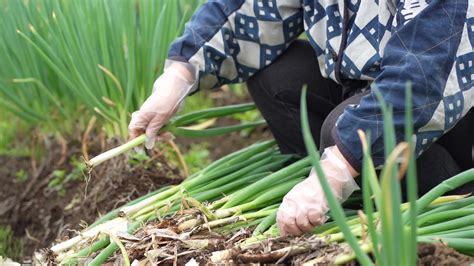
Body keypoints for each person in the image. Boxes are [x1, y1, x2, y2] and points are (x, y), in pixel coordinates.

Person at [128, 0, 473, 236]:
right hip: (366, 88)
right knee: (275, 81)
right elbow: (244, 8)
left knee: (341, 133)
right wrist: (181, 73)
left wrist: (335, 169)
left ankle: (447, 190)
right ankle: (344, 190)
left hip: (447, 103)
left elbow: (422, 76)